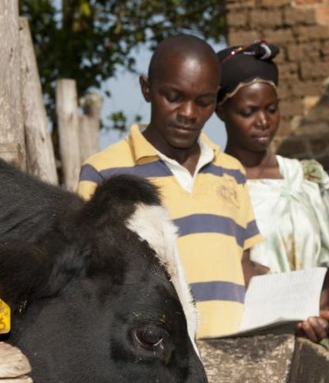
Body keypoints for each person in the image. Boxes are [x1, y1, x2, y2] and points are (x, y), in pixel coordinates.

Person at [77, 34, 262, 339]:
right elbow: (92, 280)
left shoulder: (232, 172)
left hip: (236, 355)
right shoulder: (103, 173)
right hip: (156, 366)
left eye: (203, 102)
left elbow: (243, 265)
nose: (189, 113)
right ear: (146, 89)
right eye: (174, 97)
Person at [215, 40, 329, 343]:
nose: (263, 121)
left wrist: (323, 313)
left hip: (312, 340)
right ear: (221, 112)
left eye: (272, 109)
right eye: (249, 111)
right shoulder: (215, 185)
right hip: (246, 344)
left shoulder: (307, 180)